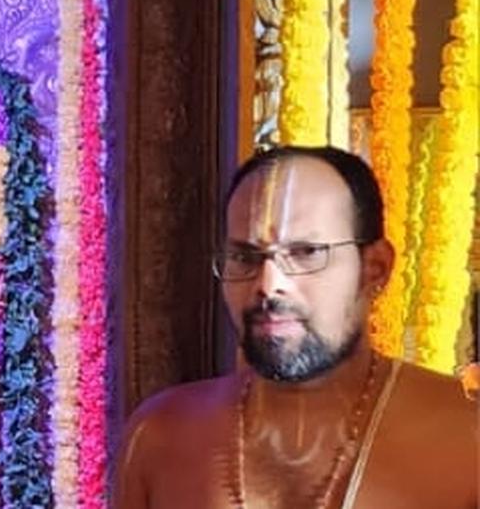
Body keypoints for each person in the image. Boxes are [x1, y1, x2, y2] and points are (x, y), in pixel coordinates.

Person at [114, 146, 477, 508]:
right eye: (244, 256)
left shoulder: (466, 436)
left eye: (305, 253)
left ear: (375, 268)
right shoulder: (160, 436)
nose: (269, 285)